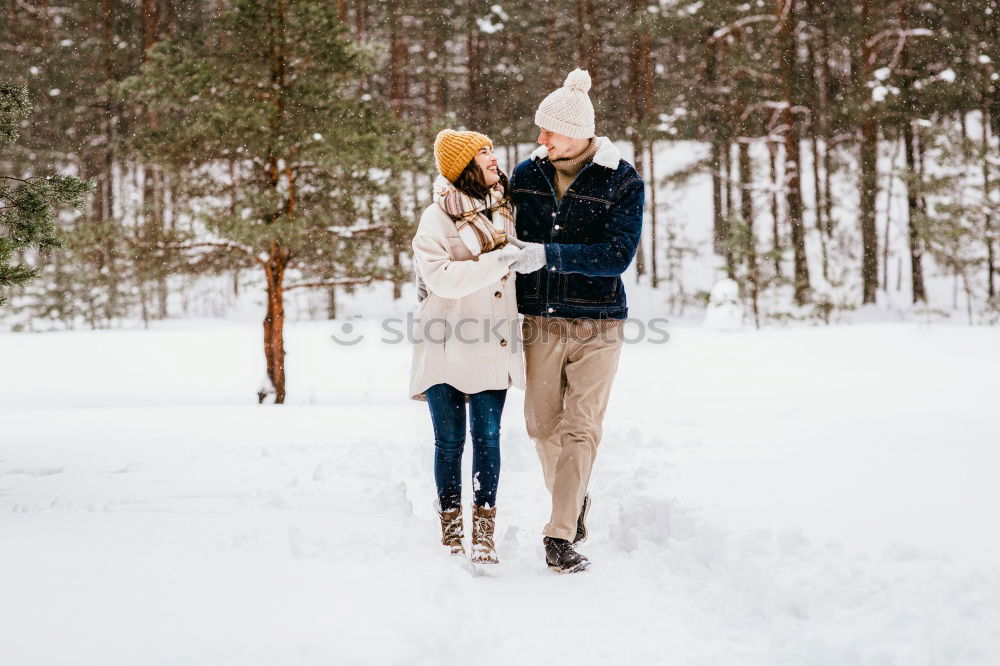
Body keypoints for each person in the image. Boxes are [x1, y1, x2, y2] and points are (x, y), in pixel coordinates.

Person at [507, 69, 644, 573]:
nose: (540, 139)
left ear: (580, 133)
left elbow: (616, 254)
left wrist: (549, 255)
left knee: (582, 427)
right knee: (542, 425)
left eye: (550, 131)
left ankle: (560, 533)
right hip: (539, 321)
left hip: (598, 323)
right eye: (540, 131)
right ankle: (575, 497)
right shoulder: (527, 174)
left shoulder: (621, 179)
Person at [409, 129, 525, 565]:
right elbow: (441, 279)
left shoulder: (507, 211)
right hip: (444, 342)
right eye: (484, 152)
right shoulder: (435, 219)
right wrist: (498, 261)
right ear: (464, 165)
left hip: (491, 341)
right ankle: (452, 529)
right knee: (449, 442)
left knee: (489, 439)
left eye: (492, 150)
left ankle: (484, 534)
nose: (494, 158)